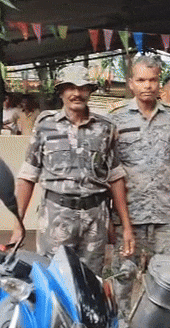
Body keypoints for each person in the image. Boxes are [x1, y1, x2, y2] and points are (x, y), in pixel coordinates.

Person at [11, 64, 135, 276]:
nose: (77, 93)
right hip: (56, 215)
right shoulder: (45, 125)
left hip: (95, 218)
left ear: (90, 91)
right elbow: (27, 176)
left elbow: (115, 178)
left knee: (91, 281)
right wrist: (17, 223)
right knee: (54, 280)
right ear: (61, 91)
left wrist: (125, 225)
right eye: (70, 87)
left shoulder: (106, 127)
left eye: (83, 88)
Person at [108, 55, 170, 328]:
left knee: (163, 284)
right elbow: (113, 174)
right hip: (130, 218)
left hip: (165, 216)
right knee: (124, 282)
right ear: (131, 83)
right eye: (141, 80)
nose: (147, 86)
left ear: (159, 82)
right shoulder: (116, 120)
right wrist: (121, 223)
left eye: (152, 80)